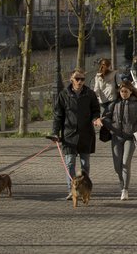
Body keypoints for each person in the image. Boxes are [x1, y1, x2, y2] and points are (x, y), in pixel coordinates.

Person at [52, 68, 101, 200]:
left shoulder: (89, 94)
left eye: (82, 79)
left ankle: (84, 189)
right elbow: (58, 115)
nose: (80, 81)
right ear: (71, 79)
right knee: (69, 164)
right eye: (77, 79)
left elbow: (96, 110)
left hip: (86, 134)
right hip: (69, 134)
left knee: (85, 165)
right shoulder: (63, 94)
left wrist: (96, 119)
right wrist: (55, 133)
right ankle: (72, 190)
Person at [100, 80, 137, 200]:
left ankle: (125, 190)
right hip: (116, 137)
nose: (123, 93)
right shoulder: (114, 103)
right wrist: (110, 127)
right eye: (121, 91)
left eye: (126, 91)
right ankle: (122, 184)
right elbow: (106, 116)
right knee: (117, 166)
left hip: (130, 138)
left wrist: (134, 129)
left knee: (125, 163)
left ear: (131, 91)